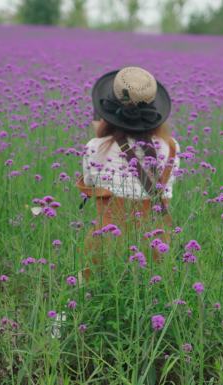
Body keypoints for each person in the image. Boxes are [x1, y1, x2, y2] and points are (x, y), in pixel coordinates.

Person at [77, 66, 180, 281]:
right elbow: (167, 191)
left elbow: (88, 184)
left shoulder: (95, 147)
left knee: (88, 293)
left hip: (105, 245)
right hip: (154, 247)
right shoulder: (171, 147)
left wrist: (100, 135)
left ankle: (65, 316)